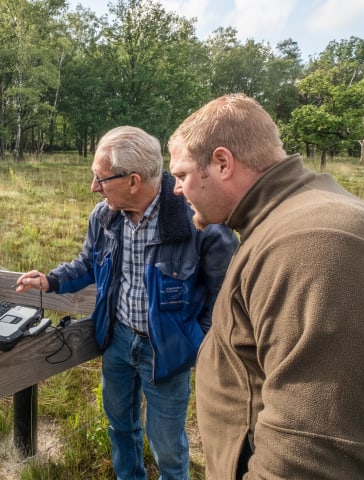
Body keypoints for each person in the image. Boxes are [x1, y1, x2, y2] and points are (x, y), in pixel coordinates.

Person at [168, 93, 364, 479]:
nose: (176, 189)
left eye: (182, 174)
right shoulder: (284, 226)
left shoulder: (318, 245)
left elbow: (315, 461)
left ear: (222, 162)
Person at [15, 126, 238, 480]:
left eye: (100, 178)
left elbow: (224, 295)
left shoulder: (199, 220)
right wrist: (51, 280)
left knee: (166, 442)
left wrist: (197, 340)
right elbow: (88, 263)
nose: (94, 187)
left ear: (134, 181)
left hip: (166, 351)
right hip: (117, 342)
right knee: (120, 426)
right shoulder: (104, 217)